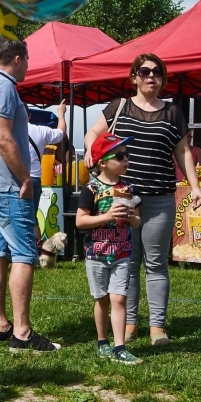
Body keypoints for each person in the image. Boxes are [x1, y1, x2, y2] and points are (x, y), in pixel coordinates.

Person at [84, 53, 201, 346]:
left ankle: (157, 328)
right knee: (129, 261)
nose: (152, 76)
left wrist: (196, 187)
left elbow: (183, 152)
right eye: (145, 71)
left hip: (161, 197)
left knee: (156, 264)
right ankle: (129, 324)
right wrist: (92, 150)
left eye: (157, 73)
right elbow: (92, 133)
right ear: (134, 76)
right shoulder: (118, 107)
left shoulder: (173, 113)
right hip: (124, 198)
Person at [0, 37, 60, 352]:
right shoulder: (3, 87)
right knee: (25, 255)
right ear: (16, 58)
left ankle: (0, 325)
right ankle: (22, 333)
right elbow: (3, 139)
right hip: (9, 186)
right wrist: (25, 178)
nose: (28, 65)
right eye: (27, 59)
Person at [77, 133, 143, 364]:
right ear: (103, 162)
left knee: (119, 299)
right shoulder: (91, 189)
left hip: (122, 252)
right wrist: (106, 216)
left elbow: (137, 222)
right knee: (102, 299)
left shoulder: (128, 188)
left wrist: (133, 216)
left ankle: (119, 347)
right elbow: (80, 221)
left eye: (127, 155)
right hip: (96, 253)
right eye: (120, 155)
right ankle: (102, 341)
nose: (126, 160)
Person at [28, 100, 67, 242]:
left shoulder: (6, 131)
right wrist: (60, 114)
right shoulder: (40, 130)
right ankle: (36, 250)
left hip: (12, 178)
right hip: (34, 178)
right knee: (32, 217)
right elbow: (61, 133)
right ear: (29, 116)